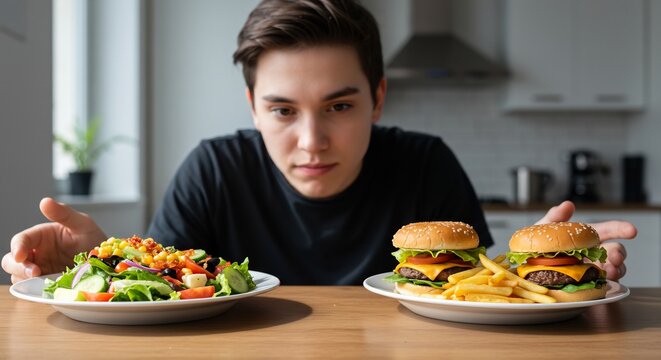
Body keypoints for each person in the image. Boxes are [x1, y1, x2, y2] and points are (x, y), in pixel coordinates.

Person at [2, 0, 634, 285]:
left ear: (379, 97)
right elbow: (159, 284)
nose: (311, 141)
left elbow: (481, 290)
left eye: (340, 106)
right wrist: (94, 269)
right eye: (282, 110)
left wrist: (550, 274)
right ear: (252, 106)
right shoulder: (214, 169)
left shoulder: (424, 162)